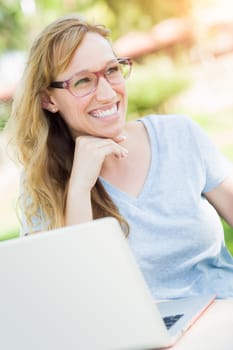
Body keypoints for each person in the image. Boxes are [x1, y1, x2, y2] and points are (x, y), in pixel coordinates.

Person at [6, 13, 233, 300]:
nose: (105, 93)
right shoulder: (41, 182)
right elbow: (72, 299)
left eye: (111, 70)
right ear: (48, 100)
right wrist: (79, 189)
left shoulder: (179, 135)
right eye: (82, 81)